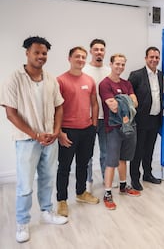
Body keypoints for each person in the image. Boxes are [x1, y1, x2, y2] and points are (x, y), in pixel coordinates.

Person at [0, 36, 68, 243]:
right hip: (27, 141)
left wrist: (55, 131)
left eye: (44, 53)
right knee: (25, 185)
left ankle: (47, 213)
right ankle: (22, 223)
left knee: (48, 178)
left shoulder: (50, 79)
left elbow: (59, 106)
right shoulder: (14, 79)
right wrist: (35, 135)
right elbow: (10, 113)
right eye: (36, 52)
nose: (41, 56)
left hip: (50, 139)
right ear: (27, 53)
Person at [56, 46, 100, 218]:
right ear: (69, 58)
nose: (80, 60)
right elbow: (55, 108)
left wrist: (94, 125)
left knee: (83, 164)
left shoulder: (89, 80)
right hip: (68, 131)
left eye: (83, 57)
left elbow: (94, 103)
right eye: (77, 57)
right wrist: (59, 132)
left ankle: (81, 193)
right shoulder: (60, 80)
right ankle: (62, 200)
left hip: (87, 130)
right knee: (64, 167)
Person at [99, 54, 140, 210]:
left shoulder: (127, 83)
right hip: (113, 129)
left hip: (129, 126)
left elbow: (135, 103)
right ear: (111, 64)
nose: (120, 67)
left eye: (123, 64)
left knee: (124, 159)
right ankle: (108, 193)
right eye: (117, 64)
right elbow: (113, 106)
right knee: (112, 162)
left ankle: (123, 186)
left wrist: (120, 99)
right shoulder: (104, 84)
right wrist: (126, 100)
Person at [128, 47, 163, 191]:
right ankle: (135, 179)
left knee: (149, 150)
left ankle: (147, 174)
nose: (154, 60)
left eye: (156, 57)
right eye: (151, 57)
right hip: (140, 120)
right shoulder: (136, 75)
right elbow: (129, 98)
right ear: (146, 58)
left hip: (155, 119)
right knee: (138, 151)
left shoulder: (161, 75)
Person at [83, 39, 111, 192]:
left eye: (101, 49)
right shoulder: (84, 70)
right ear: (91, 51)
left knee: (106, 153)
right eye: (96, 49)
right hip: (88, 119)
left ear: (104, 52)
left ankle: (106, 180)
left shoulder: (109, 71)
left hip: (106, 119)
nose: (99, 52)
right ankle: (88, 182)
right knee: (87, 154)